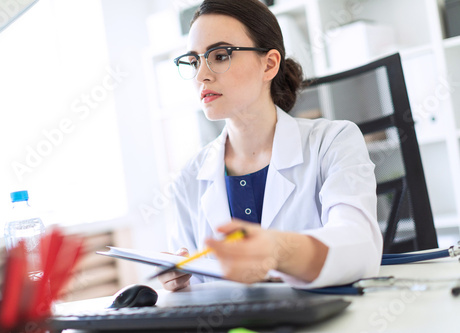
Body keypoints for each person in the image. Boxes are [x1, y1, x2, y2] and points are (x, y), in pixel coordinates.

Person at [159, 0, 383, 292]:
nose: (202, 74)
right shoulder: (189, 177)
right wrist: (176, 279)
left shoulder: (332, 142)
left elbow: (360, 246)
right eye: (193, 60)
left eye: (220, 55)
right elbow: (195, 286)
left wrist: (278, 249)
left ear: (269, 64)